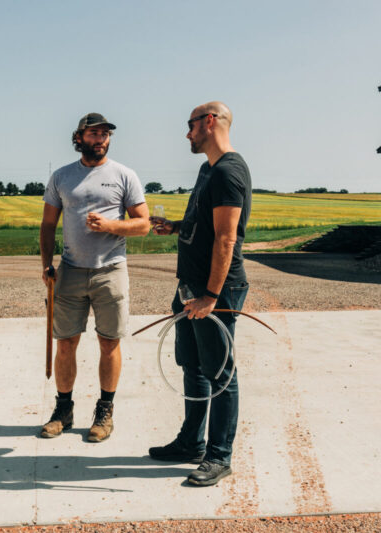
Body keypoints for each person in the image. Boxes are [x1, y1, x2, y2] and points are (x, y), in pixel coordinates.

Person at [147, 101, 252, 486]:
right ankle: (191, 441)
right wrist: (175, 226)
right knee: (192, 365)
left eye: (190, 125)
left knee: (221, 373)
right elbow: (205, 226)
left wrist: (211, 295)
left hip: (214, 293)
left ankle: (219, 456)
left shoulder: (228, 171)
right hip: (191, 288)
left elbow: (226, 238)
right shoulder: (207, 169)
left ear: (209, 122)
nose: (187, 133)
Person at [39, 112, 149, 442]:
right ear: (79, 138)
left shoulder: (124, 175)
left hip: (111, 270)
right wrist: (47, 265)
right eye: (94, 133)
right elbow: (47, 225)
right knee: (66, 343)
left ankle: (105, 412)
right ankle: (63, 410)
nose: (100, 138)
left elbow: (143, 224)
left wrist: (111, 226)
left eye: (105, 134)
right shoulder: (61, 177)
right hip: (70, 270)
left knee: (109, 342)